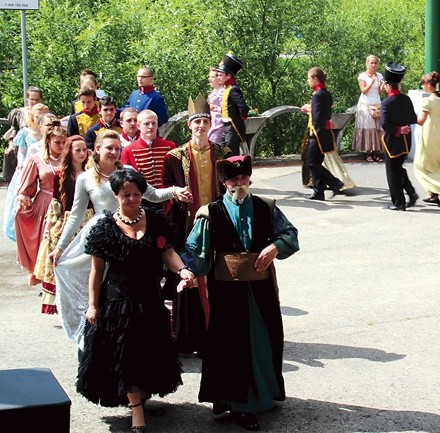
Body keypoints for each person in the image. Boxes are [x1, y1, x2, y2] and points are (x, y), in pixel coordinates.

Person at [181, 155, 299, 431]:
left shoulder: (265, 206)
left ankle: (263, 393)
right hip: (225, 292)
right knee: (232, 345)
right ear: (224, 182)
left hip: (260, 289)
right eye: (233, 180)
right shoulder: (210, 213)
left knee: (263, 339)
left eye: (244, 178)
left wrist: (275, 247)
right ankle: (237, 404)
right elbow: (195, 251)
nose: (239, 184)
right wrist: (189, 271)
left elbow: (290, 234)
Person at [49, 130, 192, 348]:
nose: (115, 152)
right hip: (102, 232)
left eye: (118, 148)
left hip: (132, 230)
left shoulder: (129, 171)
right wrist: (60, 247)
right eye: (109, 148)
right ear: (97, 149)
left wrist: (175, 191)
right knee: (97, 284)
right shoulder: (85, 178)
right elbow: (76, 215)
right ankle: (92, 333)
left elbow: (151, 194)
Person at [77, 169, 188, 432]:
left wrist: (182, 270)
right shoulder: (104, 227)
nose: (133, 199)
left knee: (147, 350)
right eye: (126, 195)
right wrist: (93, 305)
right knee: (124, 353)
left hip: (149, 297)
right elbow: (96, 271)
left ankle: (139, 394)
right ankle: (137, 410)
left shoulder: (157, 221)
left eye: (137, 194)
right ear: (114, 195)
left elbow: (168, 253)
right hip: (118, 298)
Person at [162, 94, 231, 354]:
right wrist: (177, 195)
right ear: (189, 125)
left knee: (218, 279)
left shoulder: (223, 153)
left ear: (210, 124)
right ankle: (190, 336)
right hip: (188, 225)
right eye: (196, 122)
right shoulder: (175, 156)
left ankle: (219, 334)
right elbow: (165, 192)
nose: (200, 126)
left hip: (218, 225)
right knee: (190, 279)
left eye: (204, 121)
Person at [34, 135, 92, 314]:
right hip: (68, 219)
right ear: (70, 152)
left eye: (84, 150)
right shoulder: (61, 175)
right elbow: (56, 202)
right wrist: (52, 225)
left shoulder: (92, 173)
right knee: (60, 255)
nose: (82, 153)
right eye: (78, 150)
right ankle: (61, 300)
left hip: (89, 218)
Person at [14, 120, 66, 285]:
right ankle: (44, 276)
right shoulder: (36, 159)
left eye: (64, 142)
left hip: (67, 203)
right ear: (49, 141)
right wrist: (23, 199)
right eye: (57, 142)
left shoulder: (70, 158)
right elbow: (25, 188)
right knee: (45, 241)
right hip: (45, 204)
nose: (61, 145)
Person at [3, 103, 49, 242]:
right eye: (37, 116)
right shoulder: (26, 132)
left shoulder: (49, 132)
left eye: (42, 116)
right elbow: (22, 152)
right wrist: (21, 164)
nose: (39, 118)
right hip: (28, 167)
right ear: (32, 117)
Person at [303, 67, 345, 201]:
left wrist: (315, 134)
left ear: (315, 79)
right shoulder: (326, 93)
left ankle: (334, 182)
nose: (308, 81)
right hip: (325, 132)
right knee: (316, 163)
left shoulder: (317, 95)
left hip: (317, 134)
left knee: (311, 163)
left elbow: (317, 118)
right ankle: (318, 192)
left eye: (309, 78)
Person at [380, 62, 418, 211]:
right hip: (405, 142)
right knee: (398, 169)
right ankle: (411, 192)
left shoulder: (386, 103)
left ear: (388, 85)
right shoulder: (406, 99)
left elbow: (384, 124)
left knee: (392, 173)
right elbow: (413, 118)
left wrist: (397, 130)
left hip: (392, 142)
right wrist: (402, 128)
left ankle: (399, 202)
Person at [415, 71, 440, 204]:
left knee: (423, 164)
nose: (422, 85)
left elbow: (421, 121)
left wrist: (410, 117)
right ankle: (434, 192)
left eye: (423, 83)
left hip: (429, 134)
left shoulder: (427, 101)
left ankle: (433, 190)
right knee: (437, 163)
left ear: (429, 84)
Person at [121, 109, 175, 190]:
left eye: (153, 123)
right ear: (138, 126)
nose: (150, 127)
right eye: (146, 124)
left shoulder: (170, 146)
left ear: (157, 125)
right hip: (142, 198)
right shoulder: (128, 151)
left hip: (167, 197)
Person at [2, 86, 43, 184]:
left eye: (37, 99)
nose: (34, 102)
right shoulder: (19, 114)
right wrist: (11, 145)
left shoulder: (45, 112)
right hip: (23, 146)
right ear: (27, 99)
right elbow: (14, 131)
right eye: (32, 99)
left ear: (41, 99)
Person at [352, 54, 384, 162]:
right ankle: (368, 152)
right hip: (365, 104)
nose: (374, 65)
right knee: (369, 128)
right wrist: (372, 81)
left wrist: (382, 85)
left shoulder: (379, 75)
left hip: (377, 103)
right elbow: (364, 91)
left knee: (377, 128)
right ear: (367, 63)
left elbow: (380, 91)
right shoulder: (363, 76)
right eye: (372, 63)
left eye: (375, 63)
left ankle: (377, 152)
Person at [217, 54, 249, 155]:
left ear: (228, 76)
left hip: (232, 127)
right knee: (223, 151)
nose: (218, 78)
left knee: (231, 153)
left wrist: (238, 118)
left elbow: (243, 107)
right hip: (226, 127)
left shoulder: (233, 89)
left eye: (220, 75)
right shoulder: (227, 88)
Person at [207, 66, 225, 144]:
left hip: (219, 123)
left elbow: (225, 108)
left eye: (212, 77)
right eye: (209, 77)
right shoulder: (214, 91)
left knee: (214, 144)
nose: (209, 79)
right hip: (212, 122)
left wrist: (215, 108)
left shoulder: (222, 91)